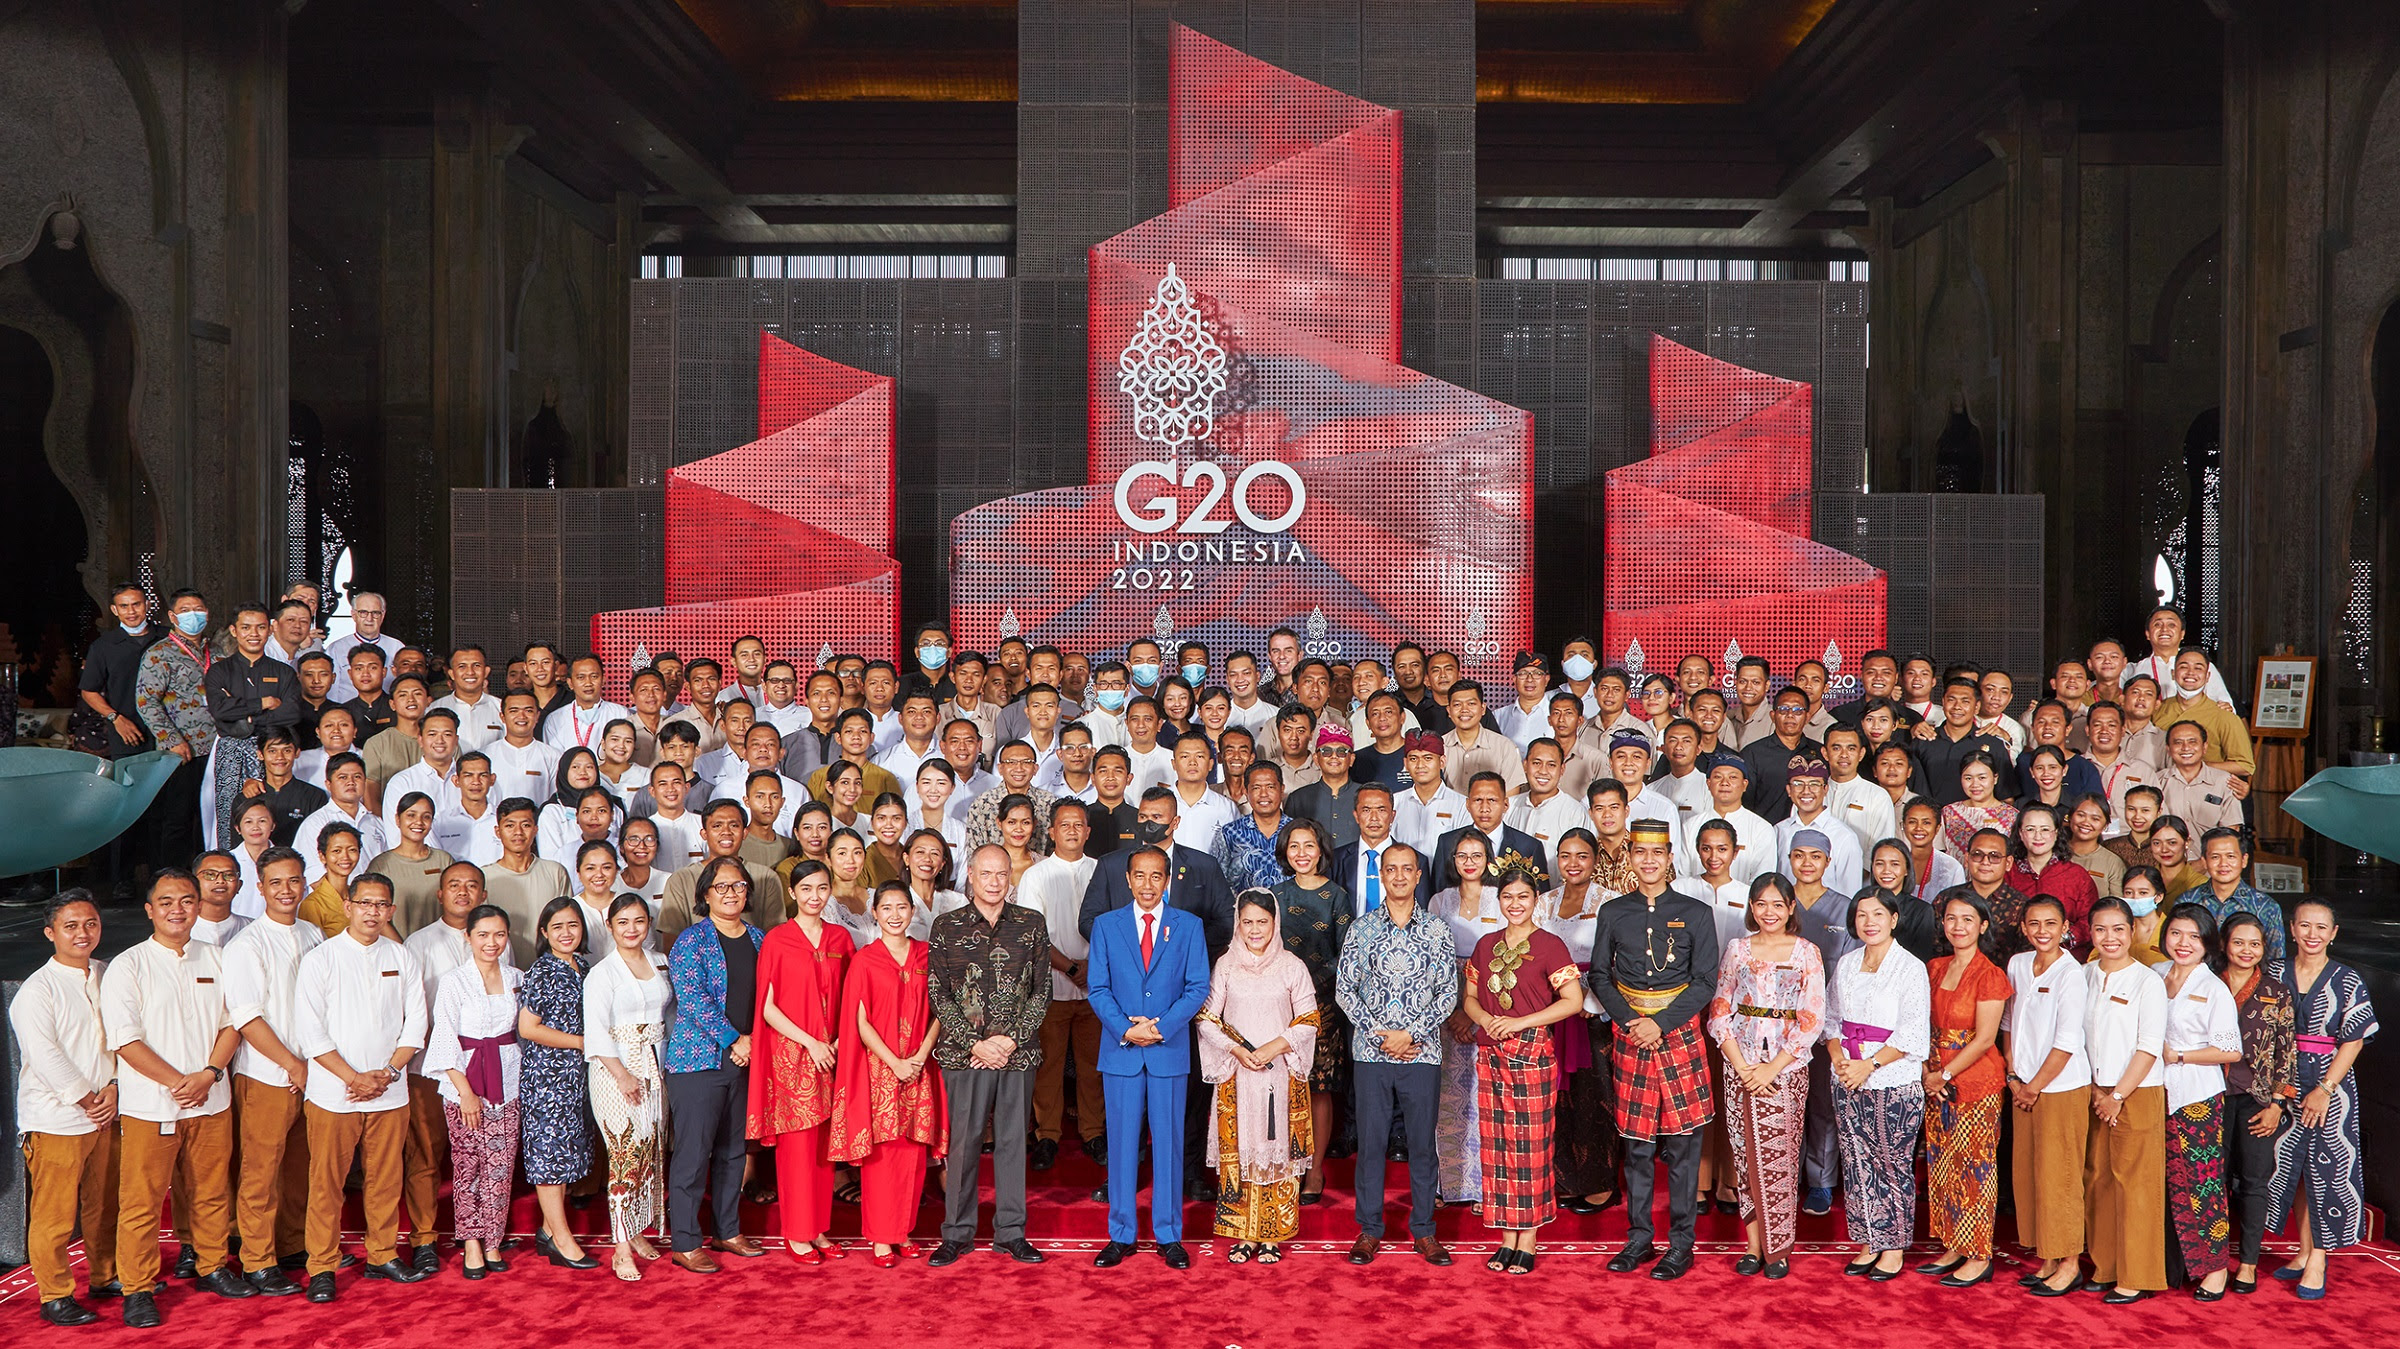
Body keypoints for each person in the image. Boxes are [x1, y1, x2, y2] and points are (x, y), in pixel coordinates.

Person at [101, 870, 249, 1327]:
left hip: (211, 1097)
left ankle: (211, 1266)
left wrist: (208, 1074)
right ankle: (138, 1287)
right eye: (166, 902)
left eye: (186, 900)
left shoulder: (218, 958)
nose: (177, 910)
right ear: (149, 910)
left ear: (198, 905)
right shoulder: (128, 965)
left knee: (209, 1191)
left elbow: (235, 1022)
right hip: (151, 1105)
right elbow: (125, 1040)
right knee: (142, 1201)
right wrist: (177, 1082)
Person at [293, 872, 434, 1302]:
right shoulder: (322, 958)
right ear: (349, 907)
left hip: (390, 1088)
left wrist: (388, 1074)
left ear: (390, 911)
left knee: (385, 1179)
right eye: (365, 903)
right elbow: (310, 1032)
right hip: (335, 1092)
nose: (373, 912)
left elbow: (416, 1024)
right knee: (326, 1182)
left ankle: (382, 1254)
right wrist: (354, 1078)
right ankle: (322, 1264)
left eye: (381, 905)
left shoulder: (402, 956)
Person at [1590, 821, 1719, 1280]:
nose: (1649, 862)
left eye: (1657, 854)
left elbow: (1706, 980)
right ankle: (1639, 1239)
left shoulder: (1696, 912)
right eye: (1640, 854)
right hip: (1631, 1035)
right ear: (1630, 858)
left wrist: (1659, 1024)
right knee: (1638, 1147)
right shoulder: (1614, 911)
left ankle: (1681, 1244)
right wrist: (1630, 1021)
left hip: (1678, 1034)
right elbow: (1599, 976)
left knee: (1684, 1148)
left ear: (1669, 859)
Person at [1085, 842, 1211, 1270]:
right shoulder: (1106, 925)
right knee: (1121, 1146)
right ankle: (1121, 1234)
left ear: (1168, 879)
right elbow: (1098, 988)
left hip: (1168, 1049)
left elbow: (1197, 987)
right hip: (1121, 1051)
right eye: (1139, 876)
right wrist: (1126, 1028)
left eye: (1156, 876)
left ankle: (1168, 1234)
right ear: (1127, 878)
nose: (1147, 885)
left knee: (1170, 1145)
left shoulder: (1189, 926)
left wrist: (1159, 1027)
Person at [927, 844, 1051, 1267]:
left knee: (1014, 1143)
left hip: (1017, 1056)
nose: (995, 882)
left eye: (1002, 874)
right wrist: (974, 1043)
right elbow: (938, 994)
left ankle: (1011, 1233)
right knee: (963, 1145)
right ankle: (957, 1234)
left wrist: (1010, 1041)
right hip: (966, 1056)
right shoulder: (947, 926)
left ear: (1010, 878)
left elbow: (1042, 990)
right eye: (986, 874)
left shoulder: (1031, 924)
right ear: (971, 878)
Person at [1334, 843, 1456, 1267]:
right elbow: (1344, 990)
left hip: (1422, 1053)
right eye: (1392, 869)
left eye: (1408, 869)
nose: (1400, 876)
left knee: (1423, 1145)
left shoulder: (1438, 930)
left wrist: (1412, 1034)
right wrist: (1378, 1033)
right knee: (1370, 1145)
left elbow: (1448, 994)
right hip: (1372, 1053)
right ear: (1381, 876)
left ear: (1419, 876)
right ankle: (1369, 1230)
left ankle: (1424, 1231)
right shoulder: (1361, 929)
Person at [1463, 862, 1582, 1274]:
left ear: (1536, 902)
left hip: (1531, 1055)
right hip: (1491, 1052)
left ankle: (1527, 1238)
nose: (1515, 904)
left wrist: (1518, 1022)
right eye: (1508, 897)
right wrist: (1483, 1019)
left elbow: (1573, 1001)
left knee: (1529, 1148)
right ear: (1498, 901)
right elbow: (1470, 999)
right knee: (1496, 1148)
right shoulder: (1485, 943)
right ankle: (1505, 1236)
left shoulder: (1550, 945)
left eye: (1523, 897)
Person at [1706, 873, 1825, 1279]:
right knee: (1744, 1157)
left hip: (1785, 1068)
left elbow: (1813, 1018)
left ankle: (1780, 1249)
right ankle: (1754, 1246)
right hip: (1739, 1064)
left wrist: (1772, 1068)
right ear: (1751, 908)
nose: (1769, 912)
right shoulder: (1738, 950)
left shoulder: (1807, 952)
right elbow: (1720, 1011)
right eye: (1761, 904)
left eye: (1777, 904)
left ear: (1791, 908)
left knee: (1781, 1158)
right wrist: (1742, 1067)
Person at [12, 892, 121, 1326]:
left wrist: (114, 1087)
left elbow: (121, 1037)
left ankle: (105, 1275)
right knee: (55, 1214)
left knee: (103, 1203)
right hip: (57, 1117)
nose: (83, 933)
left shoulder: (106, 974)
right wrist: (87, 1098)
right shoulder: (37, 990)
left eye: (90, 923)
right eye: (71, 926)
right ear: (50, 933)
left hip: (106, 1112)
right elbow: (44, 1054)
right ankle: (55, 1294)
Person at [827, 883, 948, 1268]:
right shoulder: (865, 960)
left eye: (902, 907)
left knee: (912, 1155)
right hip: (881, 1069)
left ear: (913, 912)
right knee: (883, 1156)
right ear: (874, 913)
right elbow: (859, 1020)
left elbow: (940, 1012)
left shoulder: (928, 956)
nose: (895, 915)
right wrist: (894, 1061)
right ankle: (881, 1239)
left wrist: (920, 1055)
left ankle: (904, 1231)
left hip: (918, 1066)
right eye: (886, 908)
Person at [219, 847, 322, 1294]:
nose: (286, 890)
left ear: (305, 884)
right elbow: (246, 1018)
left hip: (315, 1072)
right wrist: (292, 1064)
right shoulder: (247, 944)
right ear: (259, 888)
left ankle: (292, 1242)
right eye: (275, 882)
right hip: (267, 1073)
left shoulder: (315, 934)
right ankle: (257, 1259)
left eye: (294, 880)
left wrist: (315, 1064)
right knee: (260, 1170)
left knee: (300, 1166)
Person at [2264, 899, 2379, 1300]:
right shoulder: (2273, 971)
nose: (2312, 934)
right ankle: (2301, 1250)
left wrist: (2325, 1088)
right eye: (2304, 926)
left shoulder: (2348, 979)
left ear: (2333, 933)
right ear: (2292, 930)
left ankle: (2318, 1259)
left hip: (2329, 1085)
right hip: (2281, 1082)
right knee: (2290, 1165)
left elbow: (2355, 1038)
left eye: (2321, 927)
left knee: (2324, 1168)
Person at [746, 859, 855, 1266]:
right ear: (793, 893)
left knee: (825, 1151)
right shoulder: (777, 939)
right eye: (806, 889)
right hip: (793, 1057)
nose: (814, 896)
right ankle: (796, 1234)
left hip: (833, 1055)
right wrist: (811, 1042)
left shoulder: (841, 938)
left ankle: (819, 1228)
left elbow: (853, 999)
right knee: (796, 1150)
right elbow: (768, 1008)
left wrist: (839, 1041)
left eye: (821, 888)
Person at [1821, 887, 1930, 1281]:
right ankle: (1868, 1238)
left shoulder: (1910, 967)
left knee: (1890, 1163)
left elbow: (1913, 1032)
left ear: (1894, 919)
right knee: (1855, 1162)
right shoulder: (1847, 963)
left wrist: (1868, 1065)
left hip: (1891, 1080)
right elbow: (1830, 1019)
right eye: (1862, 915)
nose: (1869, 922)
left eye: (1878, 914)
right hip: (1846, 1076)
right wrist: (1839, 1060)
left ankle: (1895, 1246)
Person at [664, 856, 767, 1272]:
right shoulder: (691, 941)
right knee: (693, 1152)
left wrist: (754, 1040)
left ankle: (728, 1230)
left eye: (738, 885)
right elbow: (693, 1001)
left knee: (733, 1152)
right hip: (699, 1063)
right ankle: (686, 1240)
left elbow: (771, 998)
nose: (731, 893)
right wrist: (734, 1040)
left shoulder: (761, 939)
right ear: (705, 894)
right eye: (721, 887)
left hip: (750, 1058)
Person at [422, 903, 521, 1278]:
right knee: (469, 1166)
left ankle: (494, 1239)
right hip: (463, 1080)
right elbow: (445, 1035)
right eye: (482, 934)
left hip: (509, 1078)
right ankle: (471, 1242)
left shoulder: (517, 978)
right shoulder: (454, 981)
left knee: (501, 1164)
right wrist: (464, 1091)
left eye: (498, 934)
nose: (491, 942)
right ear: (468, 937)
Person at [1918, 890, 2009, 1287]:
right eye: (1952, 918)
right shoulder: (1934, 967)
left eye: (1968, 919)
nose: (1958, 926)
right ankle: (1954, 1243)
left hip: (1974, 1080)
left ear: (1983, 926)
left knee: (1976, 1168)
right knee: (1943, 1165)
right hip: (1935, 1077)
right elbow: (1922, 1024)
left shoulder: (1990, 974)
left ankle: (1979, 1253)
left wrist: (1945, 1074)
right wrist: (1927, 1071)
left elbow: (1985, 1039)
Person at [584, 894, 677, 1282]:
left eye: (639, 921)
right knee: (624, 1156)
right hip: (614, 1069)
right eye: (623, 922)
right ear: (610, 925)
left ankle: (637, 1230)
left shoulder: (660, 963)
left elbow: (670, 1013)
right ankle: (620, 1247)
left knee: (651, 1149)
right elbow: (594, 1031)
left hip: (656, 1063)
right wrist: (621, 1074)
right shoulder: (601, 973)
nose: (632, 929)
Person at [2081, 895, 2169, 1303]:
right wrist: (2099, 1091)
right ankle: (2105, 1265)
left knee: (2135, 1184)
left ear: (2132, 932)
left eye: (2118, 929)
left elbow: (2149, 1047)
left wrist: (2117, 1094)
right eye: (2101, 929)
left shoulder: (2146, 980)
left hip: (2135, 1091)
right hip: (2094, 1091)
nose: (2110, 937)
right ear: (2090, 932)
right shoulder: (2083, 974)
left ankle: (2137, 1275)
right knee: (2097, 1178)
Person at [2153, 903, 2242, 1299]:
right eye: (2176, 933)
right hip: (2155, 1090)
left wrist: (2181, 1055)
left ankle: (2216, 1269)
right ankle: (2170, 1265)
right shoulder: (2155, 975)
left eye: (2194, 936)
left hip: (2197, 1097)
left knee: (2202, 1184)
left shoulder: (2213, 988)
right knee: (2162, 1182)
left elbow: (2231, 1051)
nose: (2183, 943)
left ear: (2208, 942)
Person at [2006, 894, 2091, 1296]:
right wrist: (2013, 1076)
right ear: (2024, 927)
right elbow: (2009, 1023)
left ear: (2064, 928)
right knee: (2031, 1175)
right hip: (2022, 1085)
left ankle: (2071, 1262)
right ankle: (2048, 1255)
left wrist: (2033, 1086)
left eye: (2051, 924)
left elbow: (2067, 1041)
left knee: (2060, 1176)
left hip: (2059, 1088)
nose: (2042, 931)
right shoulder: (2018, 964)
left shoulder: (2070, 973)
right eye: (2034, 923)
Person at [1020, 799, 1104, 1170]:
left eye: (1078, 825)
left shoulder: (1104, 872)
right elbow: (1032, 935)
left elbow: (1114, 928)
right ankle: (1047, 1136)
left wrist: (1092, 967)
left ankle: (1094, 1133)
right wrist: (1071, 968)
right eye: (1064, 825)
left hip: (1097, 988)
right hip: (1051, 986)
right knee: (1048, 1067)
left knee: (1093, 1066)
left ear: (1088, 831)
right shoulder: (1035, 876)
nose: (1072, 830)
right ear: (1051, 832)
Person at [1270, 818, 1350, 1204]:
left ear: (1321, 851)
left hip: (1322, 1005)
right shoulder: (1274, 895)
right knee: (1281, 1087)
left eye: (1309, 846)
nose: (1302, 854)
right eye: (1294, 847)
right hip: (1277, 1005)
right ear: (1285, 852)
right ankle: (1285, 1164)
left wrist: (1308, 983)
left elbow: (1346, 953)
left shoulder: (1336, 895)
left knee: (1318, 1087)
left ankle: (1315, 1169)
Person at [2217, 911, 2294, 1295]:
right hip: (2211, 1096)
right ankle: (2211, 1262)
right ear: (2223, 945)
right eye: (2238, 942)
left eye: (2255, 944)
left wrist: (2277, 1105)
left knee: (2254, 1182)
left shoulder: (2276, 991)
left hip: (2258, 1100)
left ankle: (2248, 1263)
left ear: (2264, 948)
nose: (2246, 951)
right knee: (2211, 1179)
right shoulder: (2209, 983)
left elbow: (2286, 1053)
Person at [518, 898, 596, 1267]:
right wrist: (581, 1042)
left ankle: (549, 1231)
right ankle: (563, 1241)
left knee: (567, 1155)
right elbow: (528, 1027)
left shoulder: (583, 965)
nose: (566, 933)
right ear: (544, 932)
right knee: (549, 1157)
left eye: (573, 925)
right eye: (558, 927)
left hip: (577, 1075)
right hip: (548, 1077)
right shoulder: (542, 971)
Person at [2008, 803, 2098, 952]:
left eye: (2045, 829)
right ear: (2020, 833)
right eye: (2030, 829)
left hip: (2066, 958)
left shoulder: (2077, 875)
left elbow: (2090, 920)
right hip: (2015, 958)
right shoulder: (2007, 872)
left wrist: (2061, 938)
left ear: (2056, 833)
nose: (2038, 836)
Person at [2192, 827, 2286, 962]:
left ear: (2244, 860)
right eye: (2215, 857)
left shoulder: (2266, 907)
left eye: (2230, 856)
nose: (2223, 864)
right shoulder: (2188, 901)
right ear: (2204, 862)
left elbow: (2276, 962)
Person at [368, 792, 455, 936]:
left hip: (441, 947)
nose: (419, 822)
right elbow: (375, 914)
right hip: (397, 951)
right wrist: (402, 950)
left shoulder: (444, 860)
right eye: (411, 815)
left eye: (426, 817)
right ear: (397, 819)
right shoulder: (381, 865)